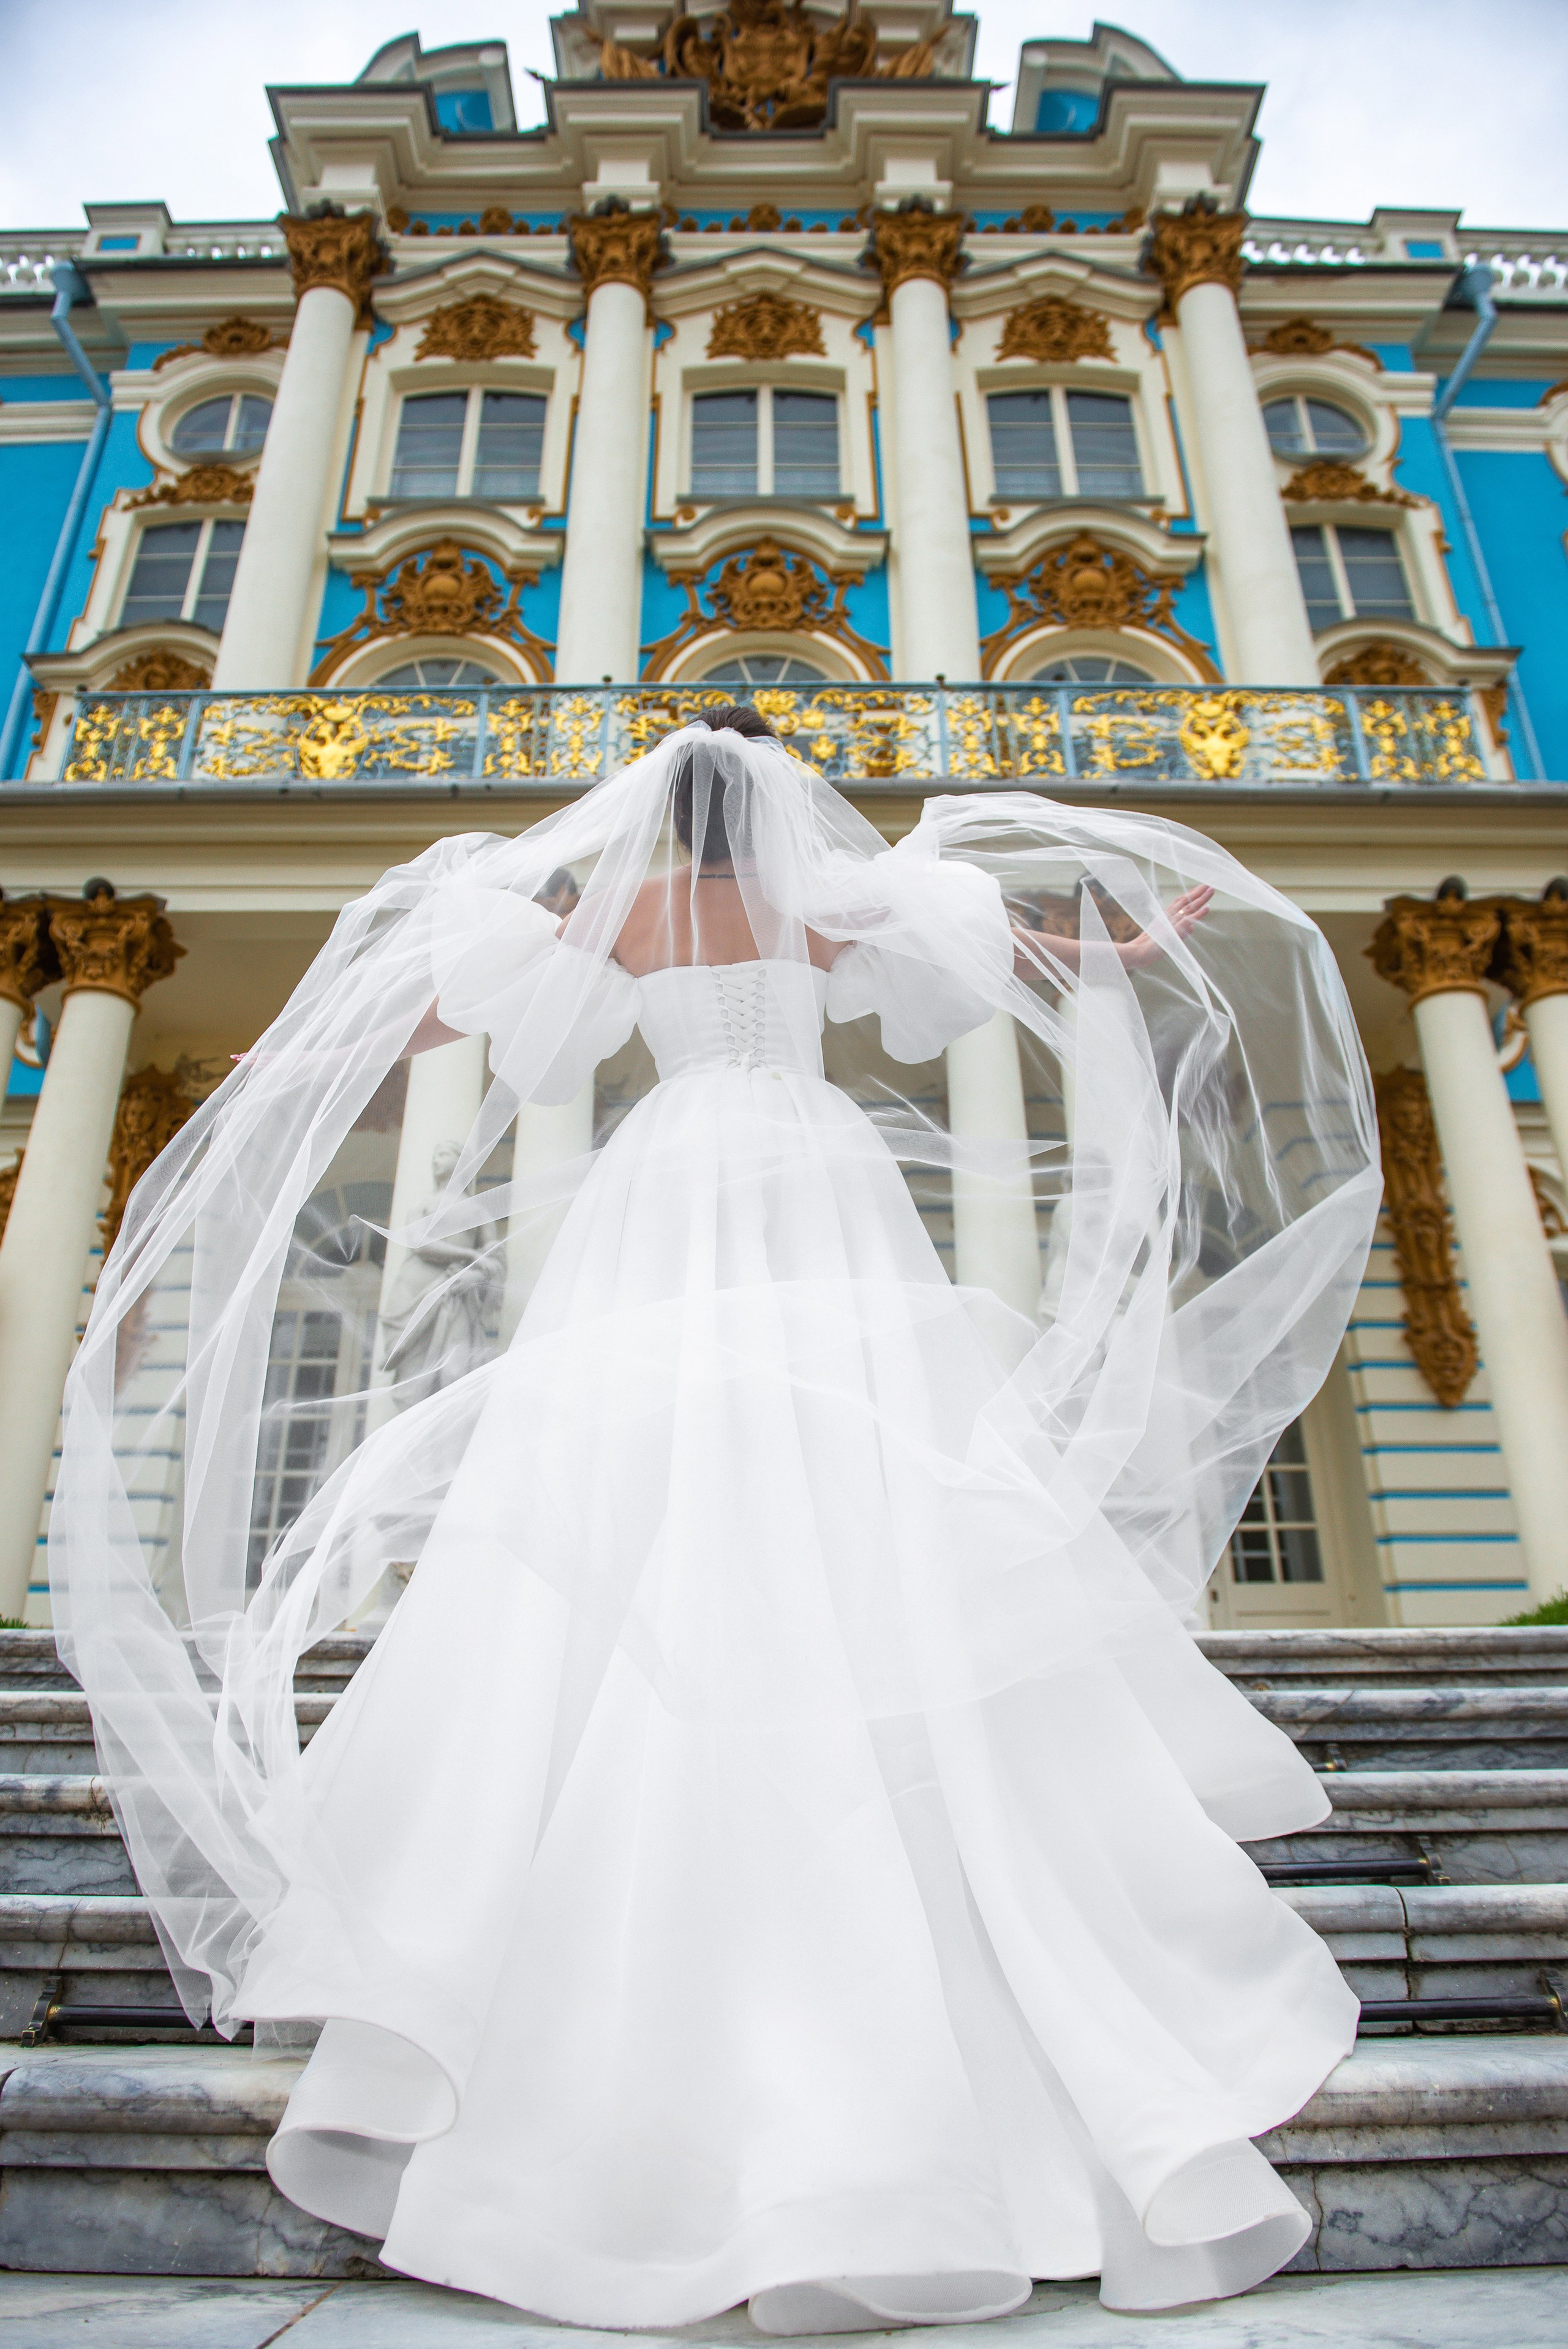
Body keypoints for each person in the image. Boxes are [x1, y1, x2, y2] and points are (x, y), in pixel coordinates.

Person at [51, 709, 1380, 2328]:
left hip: (665, 1179)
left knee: (641, 1464)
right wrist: (1122, 937)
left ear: (650, 810)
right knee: (862, 1470)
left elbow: (442, 1022)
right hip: (815, 1175)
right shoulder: (835, 897)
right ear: (776, 804)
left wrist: (287, 1055)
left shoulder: (612, 908)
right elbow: (1021, 953)